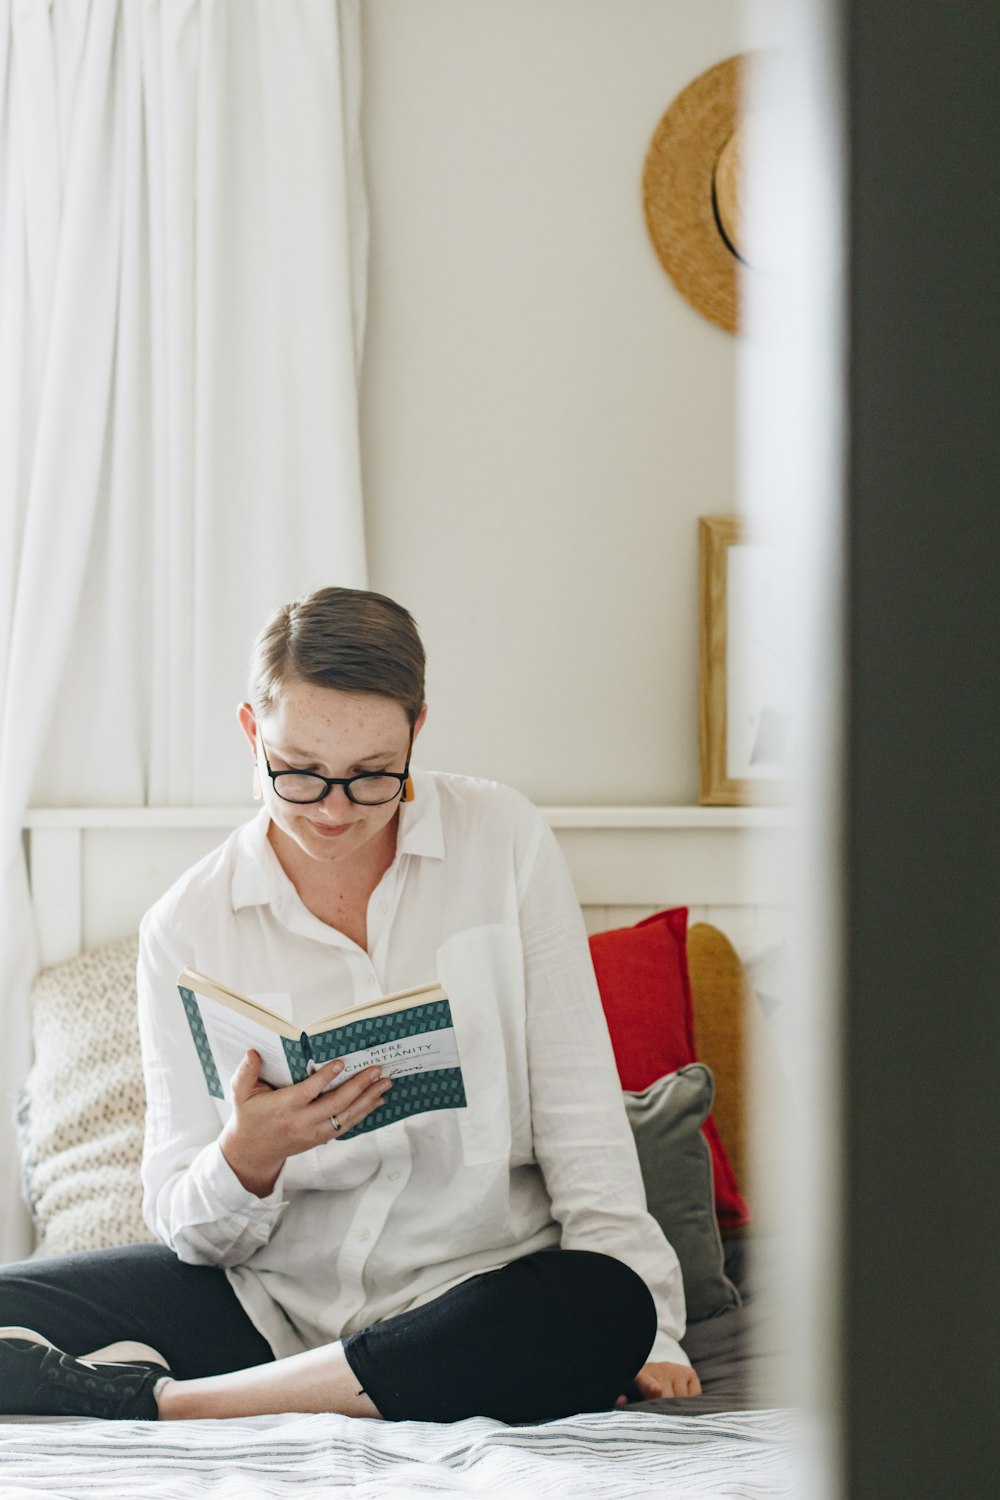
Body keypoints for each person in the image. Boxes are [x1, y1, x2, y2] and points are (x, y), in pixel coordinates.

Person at [0, 587, 701, 1422]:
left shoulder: (501, 839)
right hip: (270, 1310)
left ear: (417, 729)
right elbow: (190, 1234)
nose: (333, 812)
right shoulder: (187, 927)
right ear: (251, 734)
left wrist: (652, 1335)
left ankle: (178, 1406)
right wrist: (245, 1156)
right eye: (298, 774)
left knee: (607, 1304)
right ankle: (293, 1389)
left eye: (373, 778)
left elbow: (582, 1116)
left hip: (480, 1298)